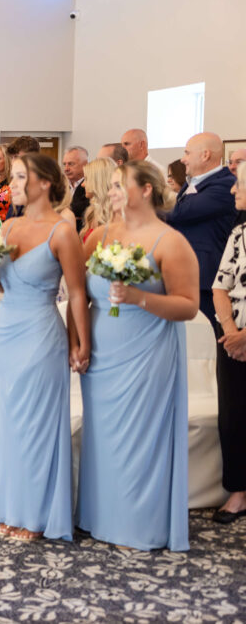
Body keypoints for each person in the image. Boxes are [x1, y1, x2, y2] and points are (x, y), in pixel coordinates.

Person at [78, 160, 198, 551]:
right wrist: (78, 342)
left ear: (146, 189)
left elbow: (187, 306)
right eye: (110, 186)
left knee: (138, 441)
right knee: (104, 440)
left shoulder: (169, 241)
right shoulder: (101, 234)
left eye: (118, 185)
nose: (110, 192)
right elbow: (79, 292)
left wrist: (138, 297)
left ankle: (136, 525)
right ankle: (100, 517)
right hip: (102, 357)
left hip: (146, 355)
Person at [0, 152, 90, 542]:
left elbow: (77, 293)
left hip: (42, 333)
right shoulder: (7, 228)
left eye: (21, 177)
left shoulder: (63, 230)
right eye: (14, 177)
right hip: (6, 330)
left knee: (37, 424)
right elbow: (2, 286)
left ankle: (38, 514)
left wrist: (81, 343)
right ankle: (13, 507)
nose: (14, 185)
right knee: (11, 422)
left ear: (44, 183)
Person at [168, 132, 237, 331]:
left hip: (204, 276)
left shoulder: (224, 185)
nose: (183, 159)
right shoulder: (192, 183)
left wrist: (142, 205)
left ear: (205, 155)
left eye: (187, 153)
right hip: (185, 274)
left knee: (205, 341)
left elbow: (181, 212)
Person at [211, 168, 246, 524]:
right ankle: (238, 492)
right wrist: (231, 332)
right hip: (231, 335)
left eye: (241, 183)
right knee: (232, 416)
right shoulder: (238, 233)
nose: (234, 187)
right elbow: (220, 285)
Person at [80, 157, 118, 241]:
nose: (82, 184)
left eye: (86, 179)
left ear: (98, 181)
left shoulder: (115, 215)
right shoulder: (92, 211)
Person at [62, 146, 90, 231]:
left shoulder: (90, 186)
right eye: (64, 164)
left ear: (85, 165)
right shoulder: (60, 186)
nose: (66, 169)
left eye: (71, 164)